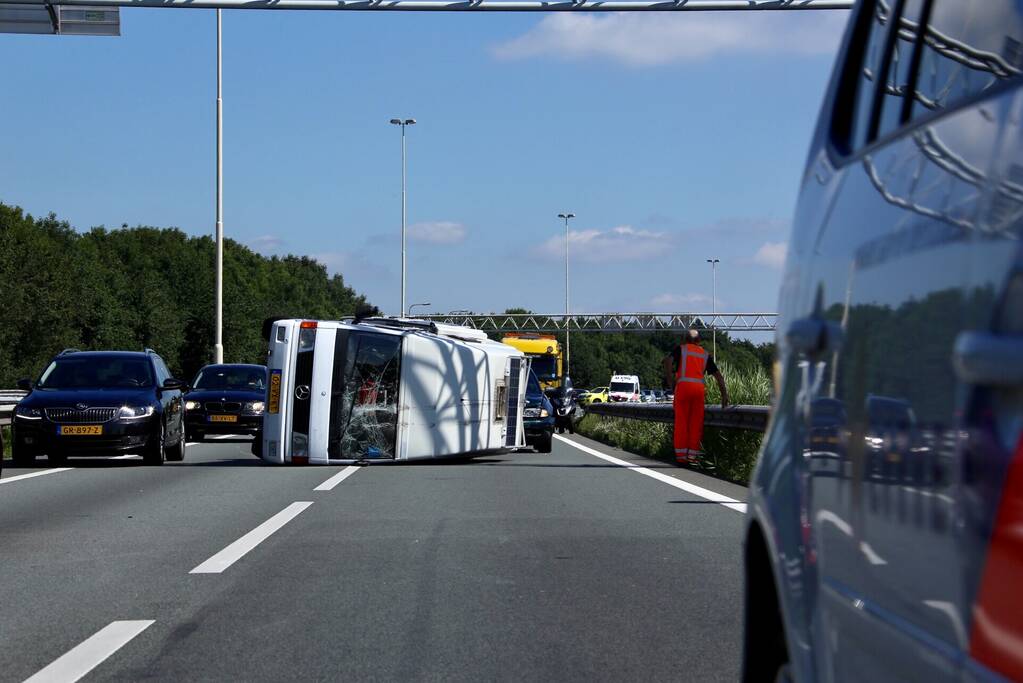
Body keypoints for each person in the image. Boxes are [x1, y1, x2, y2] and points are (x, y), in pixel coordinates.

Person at [662, 328, 729, 465]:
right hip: (698, 390)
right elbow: (718, 376)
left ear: (685, 340)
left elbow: (668, 361)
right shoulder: (705, 354)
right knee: (695, 424)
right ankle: (692, 457)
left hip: (683, 388)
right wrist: (724, 395)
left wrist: (670, 381)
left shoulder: (681, 349)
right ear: (699, 341)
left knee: (682, 422)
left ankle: (681, 457)